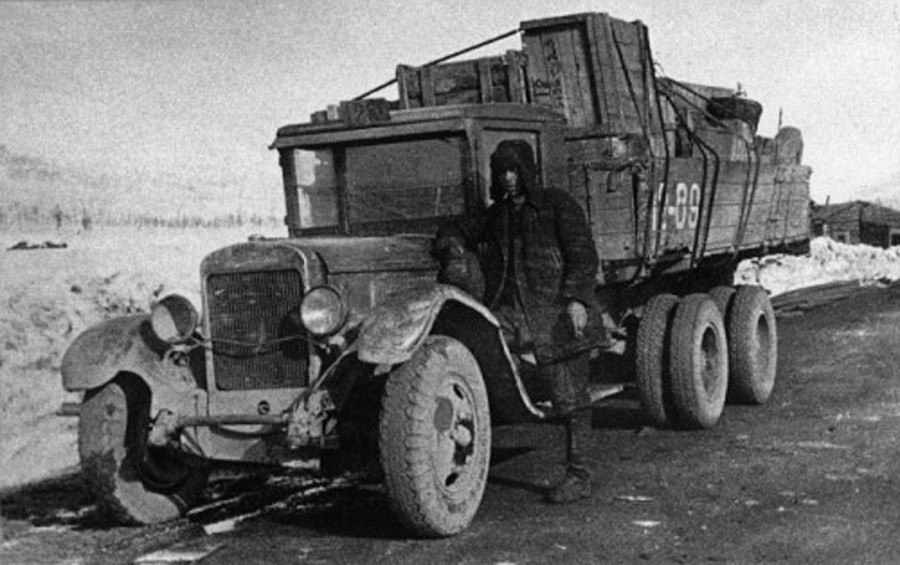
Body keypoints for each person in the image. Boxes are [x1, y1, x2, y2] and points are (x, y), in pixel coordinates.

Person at [435, 139, 607, 503]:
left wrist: (576, 300)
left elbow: (583, 255)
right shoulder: (497, 215)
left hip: (555, 311)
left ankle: (580, 475)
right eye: (501, 172)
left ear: (527, 171)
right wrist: (451, 244)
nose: (508, 178)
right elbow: (460, 228)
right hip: (511, 312)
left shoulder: (557, 204)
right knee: (475, 359)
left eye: (514, 170)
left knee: (571, 399)